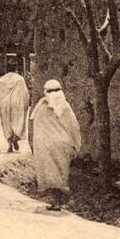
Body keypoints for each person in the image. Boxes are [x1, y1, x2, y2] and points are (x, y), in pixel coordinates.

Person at [29, 78, 82, 210]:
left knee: (50, 174)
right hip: (63, 144)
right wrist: (76, 144)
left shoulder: (40, 108)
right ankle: (62, 201)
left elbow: (35, 128)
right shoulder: (65, 107)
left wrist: (34, 146)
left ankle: (56, 202)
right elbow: (74, 127)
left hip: (45, 146)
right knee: (62, 173)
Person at [0, 61, 29, 153]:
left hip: (5, 104)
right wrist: (26, 102)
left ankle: (9, 143)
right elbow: (24, 92)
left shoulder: (2, 80)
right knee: (17, 121)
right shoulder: (20, 79)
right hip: (16, 102)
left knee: (6, 123)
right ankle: (16, 137)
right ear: (15, 69)